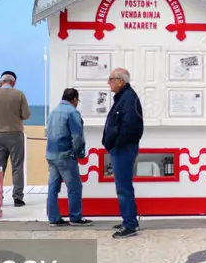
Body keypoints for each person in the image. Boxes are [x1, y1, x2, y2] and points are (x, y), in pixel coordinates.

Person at [102, 67, 144, 238]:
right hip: (120, 148)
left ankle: (130, 225)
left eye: (111, 79)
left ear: (120, 81)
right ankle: (129, 219)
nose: (108, 83)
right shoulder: (123, 97)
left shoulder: (128, 98)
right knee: (124, 187)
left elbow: (131, 127)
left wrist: (115, 144)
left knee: (123, 188)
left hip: (123, 149)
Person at [45, 88, 92, 226]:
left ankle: (53, 218)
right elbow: (77, 136)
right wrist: (78, 152)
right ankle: (75, 217)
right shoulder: (72, 112)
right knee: (75, 187)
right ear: (75, 100)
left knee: (53, 187)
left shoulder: (52, 112)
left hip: (51, 155)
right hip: (65, 155)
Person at [0, 70, 31, 206]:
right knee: (17, 167)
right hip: (15, 135)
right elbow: (26, 114)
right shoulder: (19, 94)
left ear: (1, 81)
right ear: (14, 82)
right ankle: (17, 197)